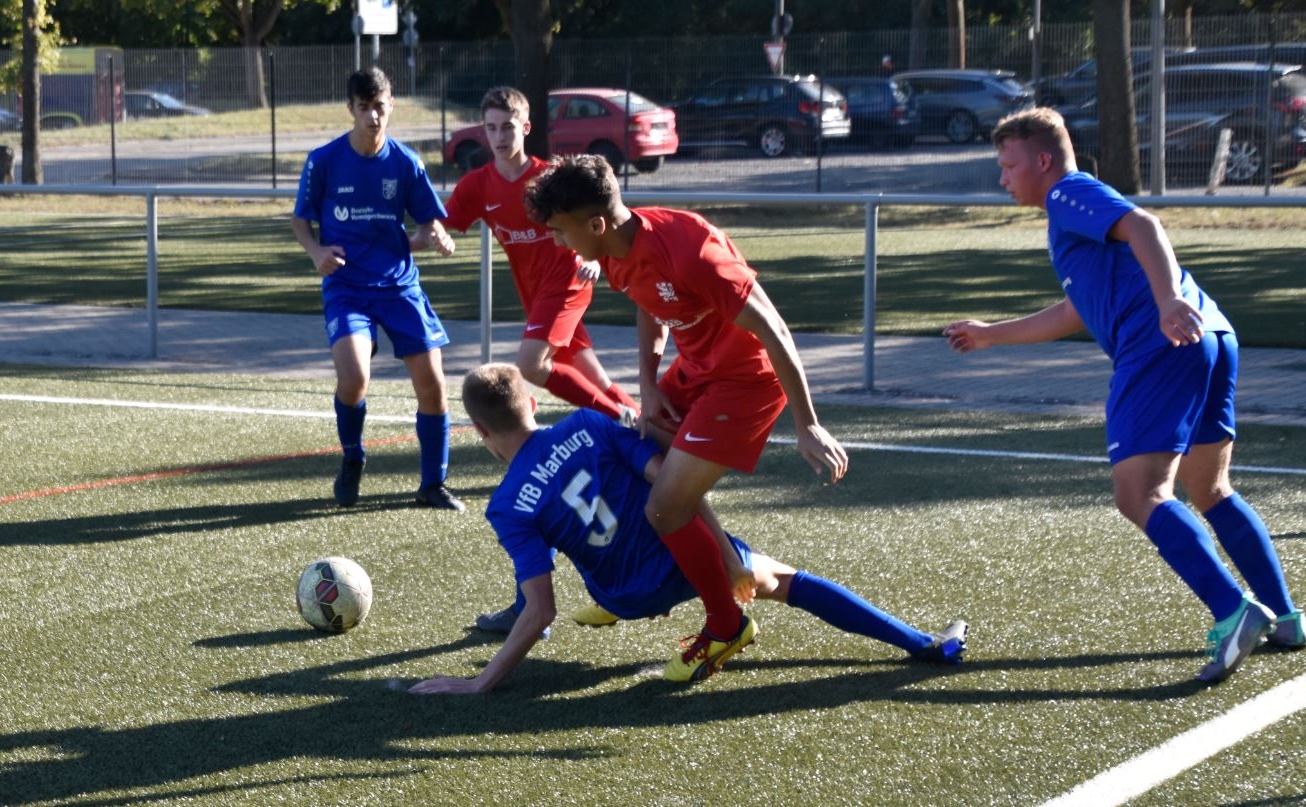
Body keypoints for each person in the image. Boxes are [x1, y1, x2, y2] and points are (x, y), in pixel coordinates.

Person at [942, 107, 1306, 684]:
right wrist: (991, 335)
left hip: (1161, 344)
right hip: (1210, 335)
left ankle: (1233, 612)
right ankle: (1284, 616)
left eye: (1009, 165)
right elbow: (1076, 310)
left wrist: (1165, 302)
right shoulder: (1072, 218)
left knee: (1139, 494)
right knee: (1209, 488)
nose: (1003, 178)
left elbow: (1145, 225)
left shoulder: (1068, 194)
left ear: (1043, 160)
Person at [409, 364, 967, 694]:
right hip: (684, 556)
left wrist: (479, 683)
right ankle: (923, 645)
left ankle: (625, 606)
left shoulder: (507, 507)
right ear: (532, 402)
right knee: (784, 581)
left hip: (625, 594)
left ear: (479, 429)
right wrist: (725, 553)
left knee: (604, 562)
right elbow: (672, 481)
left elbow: (539, 612)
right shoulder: (587, 424)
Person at [522, 154, 849, 645]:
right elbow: (649, 305)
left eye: (560, 231)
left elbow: (775, 330)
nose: (557, 242)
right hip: (697, 371)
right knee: (632, 449)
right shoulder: (610, 248)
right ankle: (720, 560)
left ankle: (726, 627)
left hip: (745, 382)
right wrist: (649, 383)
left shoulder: (691, 252)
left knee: (664, 509)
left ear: (595, 224)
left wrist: (809, 424)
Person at [442, 86, 640, 635]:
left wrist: (594, 258)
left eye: (508, 126)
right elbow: (442, 226)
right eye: (490, 127)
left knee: (531, 366)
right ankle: (641, 424)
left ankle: (626, 419)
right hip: (539, 302)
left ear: (526, 127)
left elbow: (605, 214)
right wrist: (415, 236)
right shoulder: (478, 184)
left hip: (568, 283)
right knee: (594, 383)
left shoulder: (550, 178)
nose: (498, 136)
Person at [292, 67, 463, 512]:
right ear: (350, 108)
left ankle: (433, 484)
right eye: (364, 107)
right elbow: (300, 220)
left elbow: (427, 222)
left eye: (380, 107)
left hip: (399, 287)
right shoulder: (324, 160)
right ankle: (353, 456)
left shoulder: (406, 163)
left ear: (392, 106)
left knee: (433, 385)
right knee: (354, 380)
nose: (373, 116)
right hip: (347, 287)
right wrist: (315, 252)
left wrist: (437, 235)